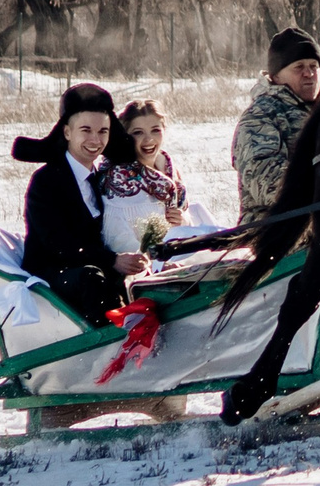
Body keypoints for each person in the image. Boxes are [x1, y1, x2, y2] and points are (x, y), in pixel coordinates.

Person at [21, 82, 145, 321]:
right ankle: (111, 343)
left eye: (103, 132)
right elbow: (58, 243)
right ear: (67, 132)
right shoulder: (46, 181)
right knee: (93, 278)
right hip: (52, 270)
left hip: (92, 266)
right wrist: (112, 260)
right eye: (86, 130)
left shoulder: (102, 178)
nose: (95, 140)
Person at [93, 98, 222, 256]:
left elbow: (184, 215)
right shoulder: (118, 178)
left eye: (155, 130)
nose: (149, 140)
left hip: (179, 250)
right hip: (146, 262)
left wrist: (183, 220)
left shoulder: (168, 167)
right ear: (125, 135)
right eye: (138, 132)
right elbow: (117, 238)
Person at [232, 26, 320, 221]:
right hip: (274, 231)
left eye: (313, 66)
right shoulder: (260, 116)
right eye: (299, 67)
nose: (309, 73)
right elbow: (266, 182)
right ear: (276, 76)